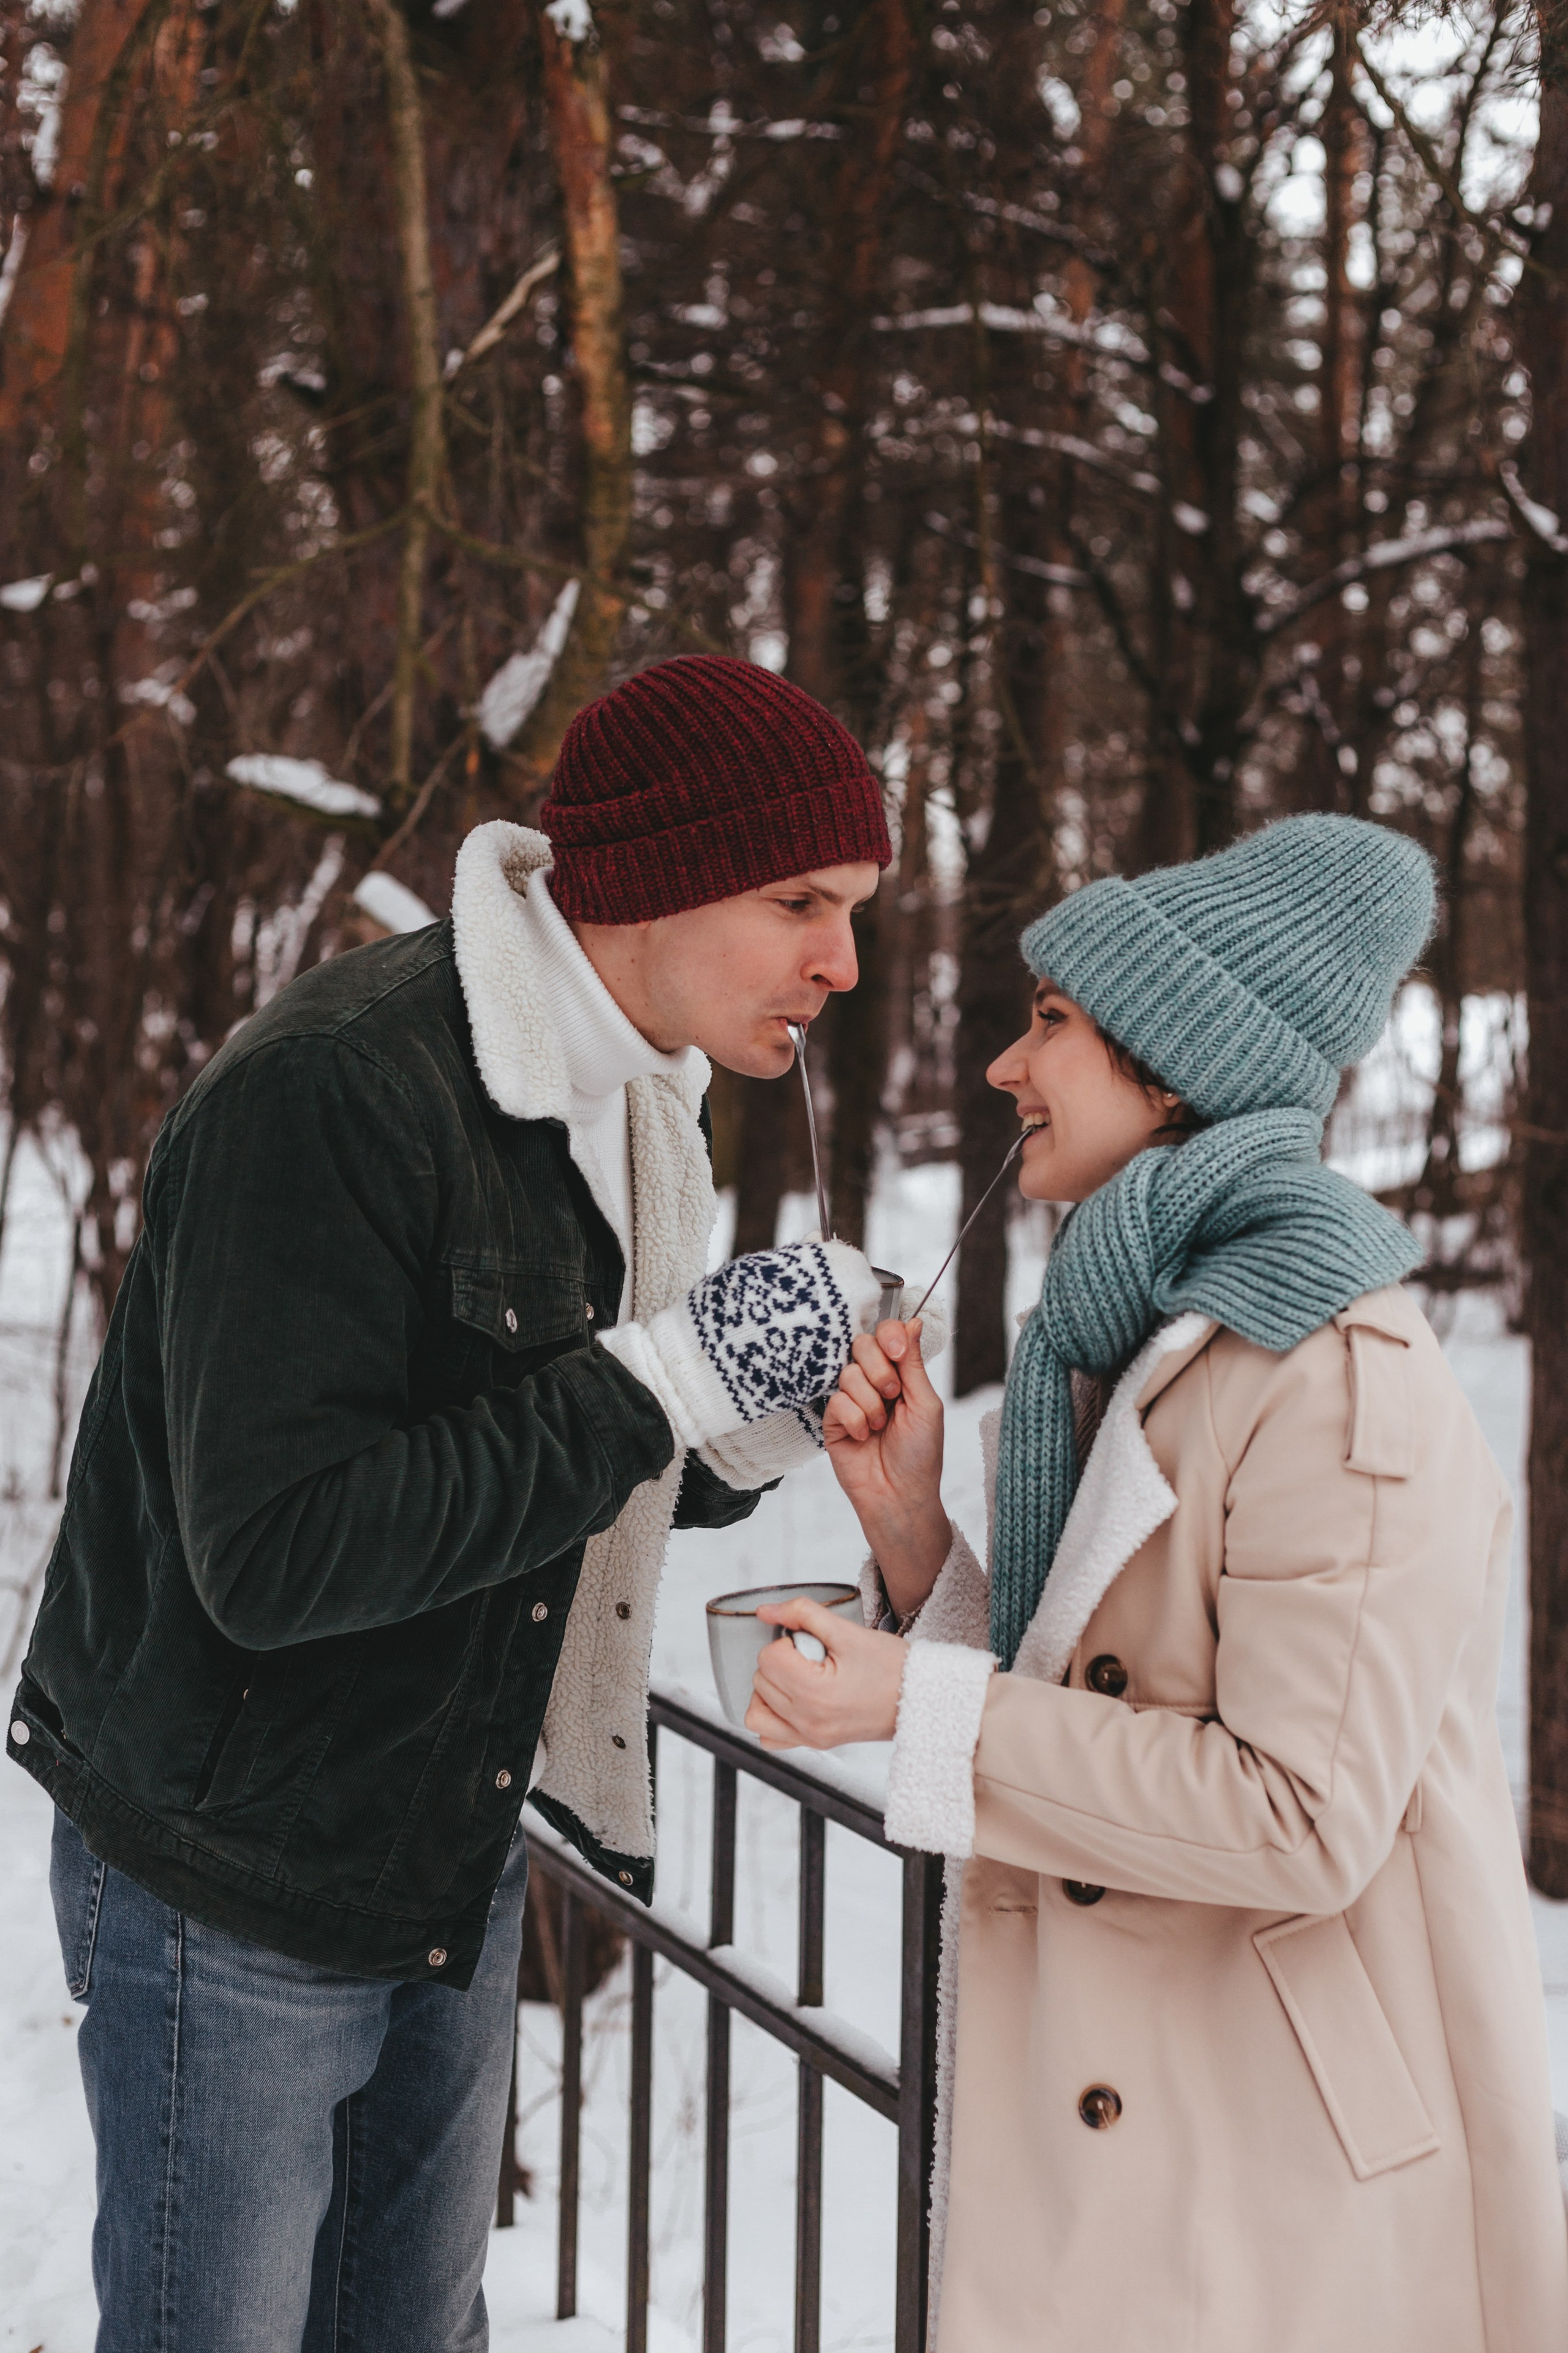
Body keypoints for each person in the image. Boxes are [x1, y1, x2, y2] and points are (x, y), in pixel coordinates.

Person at [7, 653, 895, 2353]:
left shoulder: (634, 1104)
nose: (841, 961)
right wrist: (665, 1378)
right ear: (654, 875)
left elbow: (548, 1481)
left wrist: (759, 1423)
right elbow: (277, 1552)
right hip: (233, 1864)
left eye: (849, 909)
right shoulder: (338, 1090)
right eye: (803, 899)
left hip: (450, 1842)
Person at [746, 814, 1568, 2352]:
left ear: (1176, 1065)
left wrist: (920, 1703)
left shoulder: (1337, 1376)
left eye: (1051, 1022)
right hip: (1149, 2132)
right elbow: (1100, 1699)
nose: (1003, 1064)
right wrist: (916, 1535)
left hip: (1274, 2200)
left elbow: (1295, 1812)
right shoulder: (1151, 1333)